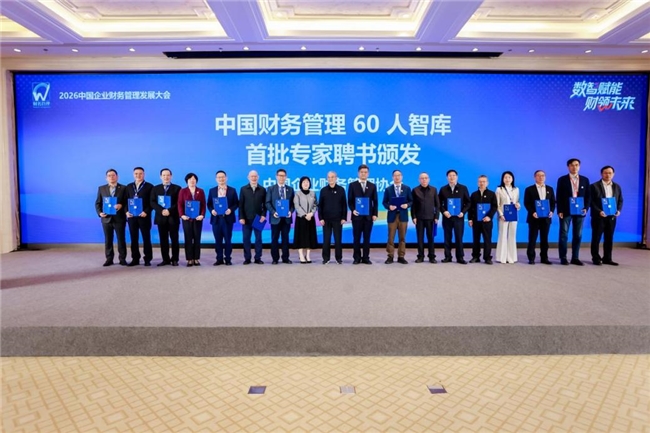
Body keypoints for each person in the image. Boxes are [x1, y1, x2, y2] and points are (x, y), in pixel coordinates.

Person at [556, 158, 591, 265]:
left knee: (578, 235)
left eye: (576, 165)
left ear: (579, 166)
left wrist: (586, 208)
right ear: (568, 167)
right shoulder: (562, 179)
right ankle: (563, 257)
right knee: (564, 234)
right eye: (572, 165)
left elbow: (588, 196)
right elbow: (559, 195)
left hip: (580, 211)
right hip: (566, 210)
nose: (574, 167)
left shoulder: (585, 180)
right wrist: (560, 210)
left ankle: (575, 257)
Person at [590, 166, 624, 266]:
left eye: (610, 173)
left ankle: (607, 258)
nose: (608, 175)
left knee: (609, 238)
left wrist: (618, 210)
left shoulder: (617, 186)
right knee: (596, 238)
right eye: (605, 173)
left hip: (612, 217)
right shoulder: (594, 186)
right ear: (601, 174)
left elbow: (620, 200)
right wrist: (599, 211)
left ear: (613, 174)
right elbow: (590, 201)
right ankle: (596, 258)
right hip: (599, 216)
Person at [94, 168, 127, 266]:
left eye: (113, 175)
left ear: (117, 177)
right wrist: (100, 213)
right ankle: (109, 259)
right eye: (109, 176)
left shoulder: (123, 188)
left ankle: (122, 259)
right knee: (108, 239)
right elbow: (98, 203)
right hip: (106, 218)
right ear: (106, 178)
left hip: (119, 218)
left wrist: (121, 205)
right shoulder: (101, 188)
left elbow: (127, 202)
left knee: (121, 239)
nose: (111, 177)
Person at [348, 164, 379, 265]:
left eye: (365, 172)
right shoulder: (352, 185)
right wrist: (353, 210)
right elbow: (350, 201)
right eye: (361, 172)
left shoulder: (372, 186)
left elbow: (375, 201)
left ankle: (366, 257)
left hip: (368, 217)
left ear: (368, 174)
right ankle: (356, 258)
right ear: (358, 173)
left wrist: (375, 214)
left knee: (367, 238)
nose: (363, 174)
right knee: (356, 238)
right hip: (356, 216)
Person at [438, 169, 471, 264]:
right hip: (447, 217)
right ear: (447, 177)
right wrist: (444, 212)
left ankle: (460, 257)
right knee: (447, 237)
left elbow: (468, 202)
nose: (451, 177)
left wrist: (463, 212)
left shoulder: (463, 188)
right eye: (450, 176)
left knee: (459, 238)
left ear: (457, 177)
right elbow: (439, 203)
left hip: (459, 218)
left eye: (453, 175)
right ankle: (447, 257)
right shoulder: (443, 189)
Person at [207, 170, 239, 266]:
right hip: (216, 219)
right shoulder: (212, 190)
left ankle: (228, 259)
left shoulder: (232, 190)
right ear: (216, 179)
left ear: (226, 178)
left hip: (228, 219)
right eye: (219, 177)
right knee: (218, 240)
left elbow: (236, 203)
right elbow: (209, 204)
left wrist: (230, 210)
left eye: (223, 177)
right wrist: (212, 210)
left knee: (228, 240)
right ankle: (219, 259)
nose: (221, 179)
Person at [524, 170, 556, 265]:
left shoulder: (550, 189)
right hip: (534, 217)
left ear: (545, 177)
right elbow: (527, 203)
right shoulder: (529, 189)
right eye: (538, 175)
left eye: (543, 175)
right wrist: (533, 212)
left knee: (544, 239)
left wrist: (552, 211)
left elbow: (553, 202)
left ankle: (544, 258)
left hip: (546, 218)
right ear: (535, 177)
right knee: (532, 239)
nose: (541, 177)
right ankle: (531, 258)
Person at [151, 168, 181, 266]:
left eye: (168, 175)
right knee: (163, 240)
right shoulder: (155, 188)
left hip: (173, 217)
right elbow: (152, 202)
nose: (166, 177)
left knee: (174, 239)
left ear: (171, 176)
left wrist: (169, 210)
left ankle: (175, 259)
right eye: (164, 175)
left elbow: (179, 203)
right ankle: (165, 259)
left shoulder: (177, 188)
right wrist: (161, 210)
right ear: (160, 177)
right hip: (161, 217)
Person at [382, 169, 413, 264]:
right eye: (395, 175)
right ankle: (390, 256)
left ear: (402, 177)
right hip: (392, 216)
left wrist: (407, 205)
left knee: (402, 237)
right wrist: (389, 207)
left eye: (399, 175)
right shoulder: (388, 189)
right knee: (391, 237)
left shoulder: (407, 188)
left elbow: (411, 201)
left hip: (403, 216)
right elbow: (384, 202)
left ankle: (401, 256)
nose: (397, 177)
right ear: (392, 177)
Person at [125, 166, 154, 266]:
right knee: (134, 238)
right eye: (136, 173)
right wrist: (126, 212)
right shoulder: (129, 186)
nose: (138, 175)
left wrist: (146, 211)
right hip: (132, 217)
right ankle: (135, 258)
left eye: (140, 173)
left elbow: (152, 202)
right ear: (133, 175)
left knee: (146, 238)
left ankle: (147, 259)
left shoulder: (150, 186)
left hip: (144, 216)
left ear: (144, 174)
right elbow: (125, 201)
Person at [266, 168, 295, 264]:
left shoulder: (290, 189)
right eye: (280, 176)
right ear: (276, 177)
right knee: (275, 239)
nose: (281, 177)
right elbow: (267, 202)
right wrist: (273, 212)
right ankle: (275, 258)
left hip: (286, 219)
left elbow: (293, 204)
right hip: (275, 218)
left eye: (283, 176)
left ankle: (285, 258)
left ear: (286, 177)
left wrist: (291, 211)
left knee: (285, 239)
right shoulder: (271, 189)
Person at [318, 171, 347, 264]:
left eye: (332, 177)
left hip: (338, 219)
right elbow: (320, 206)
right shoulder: (323, 190)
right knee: (326, 240)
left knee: (338, 240)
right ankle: (326, 258)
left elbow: (344, 205)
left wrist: (344, 217)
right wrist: (320, 218)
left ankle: (339, 258)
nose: (330, 179)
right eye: (329, 177)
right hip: (326, 219)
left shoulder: (341, 190)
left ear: (336, 178)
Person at [468, 175, 498, 264]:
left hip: (487, 221)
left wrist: (489, 216)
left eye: (484, 181)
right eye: (480, 181)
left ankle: (487, 257)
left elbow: (494, 207)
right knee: (476, 239)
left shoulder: (492, 194)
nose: (482, 183)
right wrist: (470, 219)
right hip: (476, 221)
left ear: (487, 183)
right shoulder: (474, 194)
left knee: (487, 240)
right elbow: (470, 208)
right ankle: (475, 256)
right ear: (478, 183)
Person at [178, 173, 206, 267]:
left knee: (197, 238)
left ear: (196, 180)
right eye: (190, 179)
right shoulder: (183, 191)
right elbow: (180, 204)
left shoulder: (200, 191)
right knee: (188, 238)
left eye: (194, 179)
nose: (192, 181)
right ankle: (189, 259)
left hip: (198, 219)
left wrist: (202, 215)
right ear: (187, 181)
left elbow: (203, 204)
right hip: (187, 219)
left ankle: (196, 258)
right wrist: (182, 215)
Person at [411, 172, 440, 263]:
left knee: (431, 238)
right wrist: (413, 216)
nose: (424, 180)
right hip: (419, 218)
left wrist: (436, 216)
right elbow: (413, 205)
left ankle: (432, 256)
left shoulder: (434, 190)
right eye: (422, 178)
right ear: (419, 180)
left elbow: (437, 205)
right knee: (420, 238)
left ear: (429, 179)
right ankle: (420, 256)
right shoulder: (415, 190)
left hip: (431, 218)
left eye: (426, 178)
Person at [239, 170, 267, 265]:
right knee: (246, 239)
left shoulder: (262, 189)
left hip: (258, 218)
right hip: (246, 218)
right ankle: (247, 258)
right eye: (252, 176)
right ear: (248, 177)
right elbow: (241, 204)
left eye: (255, 176)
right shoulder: (243, 189)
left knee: (258, 239)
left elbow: (265, 205)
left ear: (258, 177)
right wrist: (241, 217)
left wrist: (263, 215)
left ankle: (258, 258)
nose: (254, 178)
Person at [495, 171, 520, 264]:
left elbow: (517, 201)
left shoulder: (516, 189)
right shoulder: (499, 189)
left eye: (509, 177)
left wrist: (518, 205)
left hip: (513, 215)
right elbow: (497, 204)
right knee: (503, 235)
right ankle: (501, 257)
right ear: (502, 179)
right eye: (505, 177)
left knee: (512, 235)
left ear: (512, 179)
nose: (507, 179)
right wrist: (501, 214)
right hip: (503, 216)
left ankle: (511, 257)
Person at [293, 176, 318, 264]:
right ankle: (300, 255)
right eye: (304, 182)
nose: (306, 183)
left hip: (310, 218)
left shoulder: (313, 193)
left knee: (309, 237)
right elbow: (297, 206)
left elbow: (315, 205)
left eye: (307, 182)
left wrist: (311, 213)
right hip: (301, 218)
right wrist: (304, 215)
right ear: (301, 184)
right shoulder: (298, 193)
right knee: (301, 237)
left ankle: (307, 255)